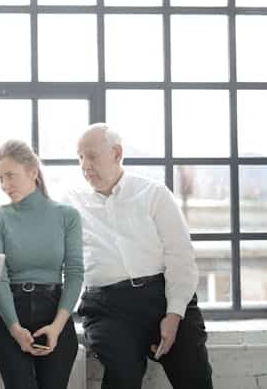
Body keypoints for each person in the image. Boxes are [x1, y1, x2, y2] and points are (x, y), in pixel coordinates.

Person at [67, 123, 213, 389]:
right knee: (123, 376)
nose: (84, 165)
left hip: (163, 295)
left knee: (195, 377)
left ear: (116, 153)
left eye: (91, 156)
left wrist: (174, 313)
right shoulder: (70, 203)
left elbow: (180, 257)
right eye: (79, 157)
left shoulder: (153, 194)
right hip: (107, 307)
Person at [0, 139, 84, 389]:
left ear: (33, 172)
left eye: (10, 175)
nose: (5, 185)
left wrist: (57, 327)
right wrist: (16, 330)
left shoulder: (67, 216)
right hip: (9, 319)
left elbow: (74, 274)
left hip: (55, 314)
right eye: (0, 178)